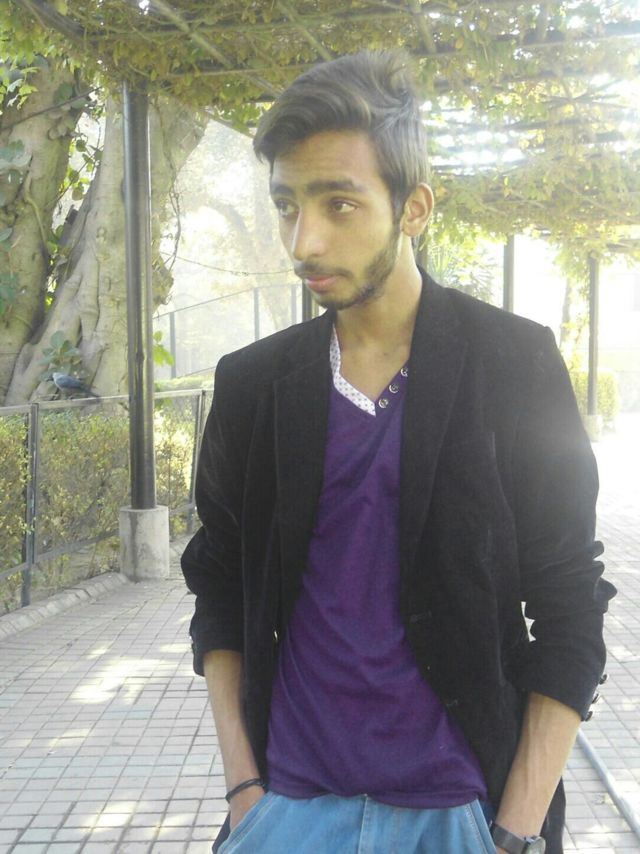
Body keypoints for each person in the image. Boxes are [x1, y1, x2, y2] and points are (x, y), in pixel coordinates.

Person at [181, 50, 615, 854]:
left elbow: (568, 601)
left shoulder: (513, 364)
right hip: (290, 810)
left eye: (339, 203)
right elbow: (218, 586)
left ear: (413, 207)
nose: (304, 240)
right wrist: (245, 790)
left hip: (464, 815)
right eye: (286, 205)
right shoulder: (255, 385)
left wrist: (516, 829)